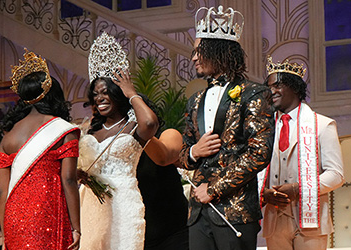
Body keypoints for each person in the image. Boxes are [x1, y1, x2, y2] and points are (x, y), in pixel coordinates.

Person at [179, 5, 274, 250]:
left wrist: (214, 188)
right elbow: (183, 153)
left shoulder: (254, 94)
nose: (193, 58)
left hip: (236, 211)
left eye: (200, 51)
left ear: (219, 51)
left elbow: (259, 153)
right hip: (198, 214)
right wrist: (193, 152)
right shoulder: (195, 100)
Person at [78, 32, 158, 250]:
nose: (100, 98)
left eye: (106, 92)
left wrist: (131, 92)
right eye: (95, 94)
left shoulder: (132, 127)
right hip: (90, 206)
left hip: (123, 205)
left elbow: (150, 123)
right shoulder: (89, 132)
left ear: (118, 93)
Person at [0, 50, 81, 250]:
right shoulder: (63, 130)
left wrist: (5, 234)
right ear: (53, 95)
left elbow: (2, 191)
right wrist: (76, 227)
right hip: (47, 212)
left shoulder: (8, 137)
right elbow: (68, 179)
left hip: (14, 219)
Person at [260, 57, 344, 250]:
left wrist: (298, 189)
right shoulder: (263, 129)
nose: (272, 91)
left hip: (311, 223)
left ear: (295, 88)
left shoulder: (322, 125)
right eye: (269, 86)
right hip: (275, 221)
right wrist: (263, 194)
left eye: (278, 85)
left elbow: (337, 175)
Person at [136, 99, 189, 250]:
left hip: (173, 232)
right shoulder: (120, 149)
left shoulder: (168, 135)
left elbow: (163, 158)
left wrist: (137, 128)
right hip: (139, 234)